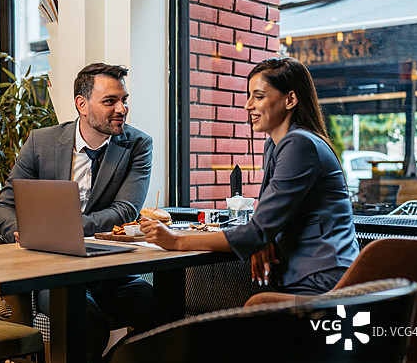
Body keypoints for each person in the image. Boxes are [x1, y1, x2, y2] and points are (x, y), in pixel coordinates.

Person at [0, 62, 154, 363]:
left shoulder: (138, 144)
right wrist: (19, 232)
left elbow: (125, 210)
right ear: (82, 104)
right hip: (54, 271)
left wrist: (64, 225)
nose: (122, 109)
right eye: (110, 101)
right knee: (86, 320)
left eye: (124, 100)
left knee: (156, 306)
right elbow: (4, 206)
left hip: (108, 268)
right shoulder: (42, 142)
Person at [140, 57, 358, 297]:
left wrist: (176, 240)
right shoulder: (275, 146)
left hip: (324, 283)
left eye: (259, 96)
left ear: (291, 99)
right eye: (249, 96)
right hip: (302, 277)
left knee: (244, 312)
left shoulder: (300, 144)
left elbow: (258, 230)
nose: (247, 105)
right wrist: (261, 240)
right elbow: (264, 223)